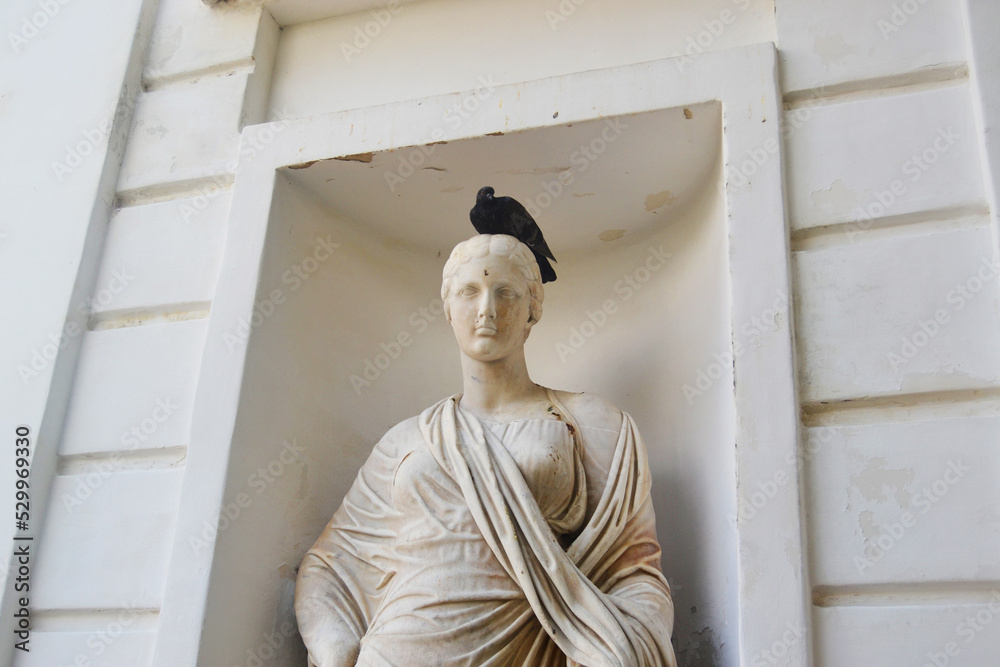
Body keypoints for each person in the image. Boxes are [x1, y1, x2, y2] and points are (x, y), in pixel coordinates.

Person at [295, 234, 676, 666]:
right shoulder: (405, 441)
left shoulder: (594, 424)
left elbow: (634, 574)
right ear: (448, 308)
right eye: (469, 292)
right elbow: (332, 563)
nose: (486, 311)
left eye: (505, 293)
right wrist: (334, 648)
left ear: (533, 307)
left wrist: (619, 650)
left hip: (532, 647)